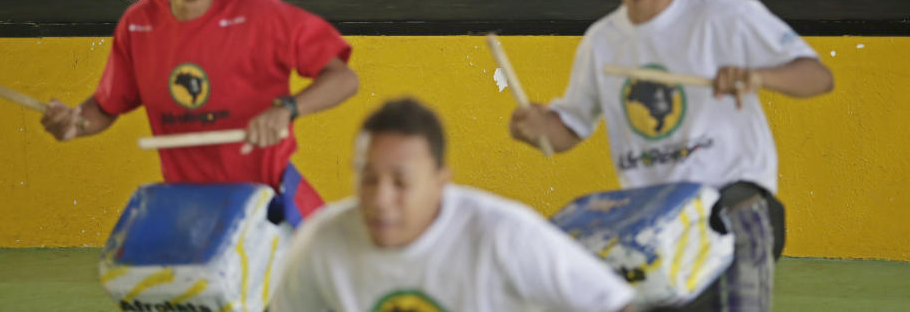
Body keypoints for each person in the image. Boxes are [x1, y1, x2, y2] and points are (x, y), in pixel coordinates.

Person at [509, 0, 834, 312]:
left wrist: (760, 76)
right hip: (655, 224)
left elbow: (817, 76)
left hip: (732, 208)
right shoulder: (602, 41)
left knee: (738, 216)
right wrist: (536, 128)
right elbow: (567, 130)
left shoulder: (725, 15)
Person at [41, 0, 359, 225]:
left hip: (270, 204)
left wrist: (287, 109)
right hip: (191, 211)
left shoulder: (262, 14)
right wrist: (75, 123)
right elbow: (105, 107)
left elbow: (343, 78)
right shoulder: (138, 26)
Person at [270, 97, 637, 312]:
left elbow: (618, 305)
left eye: (401, 182)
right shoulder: (322, 240)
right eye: (367, 177)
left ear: (439, 182)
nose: (380, 200)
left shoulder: (503, 235)